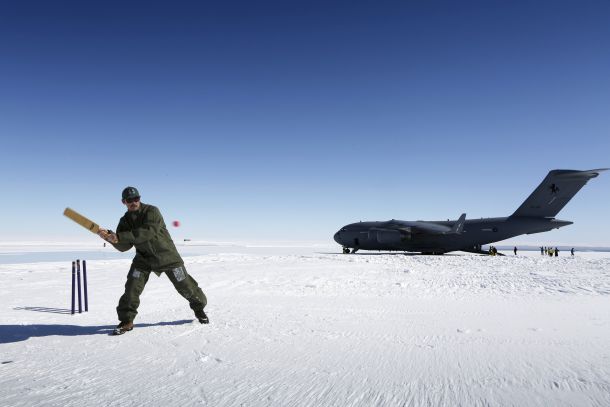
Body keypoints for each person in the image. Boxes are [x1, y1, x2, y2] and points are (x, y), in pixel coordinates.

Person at [97, 186, 209, 335]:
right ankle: (126, 321)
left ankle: (199, 308)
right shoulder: (124, 221)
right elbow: (124, 247)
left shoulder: (152, 211)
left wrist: (120, 236)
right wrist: (110, 238)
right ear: (123, 202)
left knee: (185, 286)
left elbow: (148, 232)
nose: (134, 202)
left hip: (168, 256)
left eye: (136, 199)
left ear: (139, 198)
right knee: (132, 288)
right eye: (130, 200)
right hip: (144, 259)